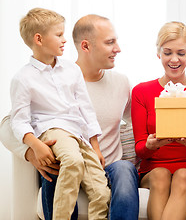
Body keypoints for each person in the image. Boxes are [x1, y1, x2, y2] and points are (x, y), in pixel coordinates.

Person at [1, 14, 140, 220]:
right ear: (86, 46)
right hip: (62, 154)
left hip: (104, 161)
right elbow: (10, 124)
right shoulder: (32, 78)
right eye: (110, 42)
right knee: (59, 164)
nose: (118, 48)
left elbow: (138, 122)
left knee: (123, 171)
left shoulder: (120, 83)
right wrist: (32, 150)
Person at [131, 21, 186, 220]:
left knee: (183, 175)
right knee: (161, 174)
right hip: (152, 169)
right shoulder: (141, 92)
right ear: (158, 53)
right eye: (168, 52)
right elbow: (140, 149)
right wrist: (151, 145)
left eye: (181, 53)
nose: (174, 59)